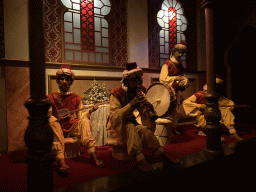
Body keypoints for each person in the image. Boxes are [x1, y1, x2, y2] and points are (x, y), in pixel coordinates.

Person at [106, 62, 180, 172]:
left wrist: (148, 110)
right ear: (127, 81)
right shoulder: (116, 93)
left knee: (145, 130)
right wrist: (131, 104)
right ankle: (141, 161)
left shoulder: (137, 92)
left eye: (138, 81)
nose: (137, 84)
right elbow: (115, 116)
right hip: (118, 125)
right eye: (134, 81)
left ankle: (163, 155)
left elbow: (142, 112)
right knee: (131, 127)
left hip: (131, 122)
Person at [47, 65, 104, 172]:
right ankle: (61, 161)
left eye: (67, 79)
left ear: (70, 82)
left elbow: (81, 116)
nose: (64, 81)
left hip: (71, 127)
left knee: (85, 122)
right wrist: (59, 120)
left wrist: (90, 111)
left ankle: (93, 155)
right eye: (62, 79)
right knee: (52, 121)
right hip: (56, 128)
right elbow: (48, 116)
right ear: (58, 81)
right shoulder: (51, 97)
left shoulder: (77, 98)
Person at [183, 76, 243, 141]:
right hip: (203, 116)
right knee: (209, 117)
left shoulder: (216, 95)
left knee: (226, 111)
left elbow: (229, 103)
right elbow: (186, 102)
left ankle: (232, 132)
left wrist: (227, 107)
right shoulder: (200, 94)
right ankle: (213, 135)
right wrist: (200, 106)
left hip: (215, 114)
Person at [159, 43, 189, 134]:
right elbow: (162, 79)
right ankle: (166, 130)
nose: (180, 55)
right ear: (174, 52)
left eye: (182, 53)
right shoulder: (167, 65)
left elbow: (183, 77)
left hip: (176, 91)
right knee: (168, 110)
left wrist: (185, 81)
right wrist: (175, 78)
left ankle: (173, 128)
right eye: (179, 52)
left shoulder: (180, 66)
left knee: (175, 110)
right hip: (167, 92)